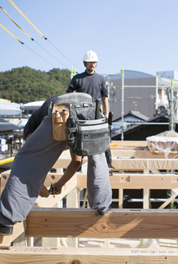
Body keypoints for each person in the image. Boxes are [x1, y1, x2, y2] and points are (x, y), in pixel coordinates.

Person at [0, 93, 112, 236]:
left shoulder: (30, 127)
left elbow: (32, 165)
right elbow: (77, 161)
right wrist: (60, 183)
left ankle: (6, 220)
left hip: (62, 109)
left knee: (24, 159)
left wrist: (39, 188)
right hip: (91, 108)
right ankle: (102, 206)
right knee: (98, 155)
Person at [67, 50, 109, 121]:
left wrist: (106, 114)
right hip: (80, 113)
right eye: (90, 62)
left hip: (96, 112)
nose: (92, 64)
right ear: (84, 63)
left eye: (94, 62)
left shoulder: (101, 78)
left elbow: (104, 98)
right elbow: (68, 95)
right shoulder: (77, 78)